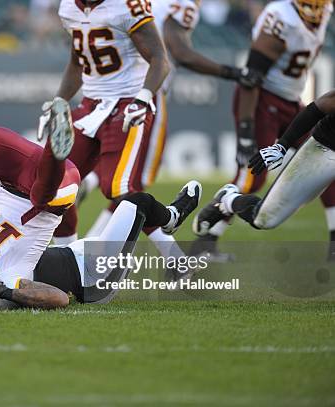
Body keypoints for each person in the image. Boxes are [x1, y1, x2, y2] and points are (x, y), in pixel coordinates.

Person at [0, 3, 203, 309]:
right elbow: (57, 299)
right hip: (92, 274)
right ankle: (64, 155)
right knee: (110, 200)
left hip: (11, 185)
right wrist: (7, 291)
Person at [74, 0, 255, 244]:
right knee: (133, 184)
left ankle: (92, 224)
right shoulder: (180, 4)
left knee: (121, 182)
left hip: (112, 89)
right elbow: (180, 53)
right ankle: (172, 252)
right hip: (145, 90)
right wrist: (233, 73)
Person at [191, 0, 334, 260]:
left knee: (329, 162)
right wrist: (246, 132)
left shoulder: (325, 13)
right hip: (263, 100)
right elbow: (251, 77)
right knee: (251, 176)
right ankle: (203, 245)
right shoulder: (281, 18)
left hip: (292, 101)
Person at [47, 0, 178, 259]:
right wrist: (59, 102)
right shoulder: (68, 8)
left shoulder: (127, 5)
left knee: (117, 188)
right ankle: (65, 259)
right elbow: (78, 62)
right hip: (91, 104)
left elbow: (161, 60)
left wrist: (143, 98)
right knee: (56, 181)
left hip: (128, 102)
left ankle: (176, 256)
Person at [193, 90, 335, 262]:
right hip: (326, 151)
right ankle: (228, 201)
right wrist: (281, 146)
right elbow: (320, 106)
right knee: (264, 219)